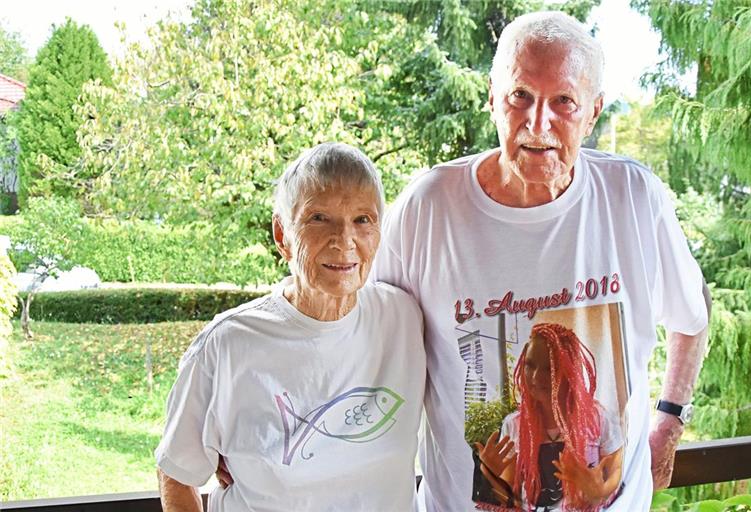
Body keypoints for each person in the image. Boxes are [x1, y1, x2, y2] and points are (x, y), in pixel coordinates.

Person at [371, 10, 711, 512]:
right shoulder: (428, 208)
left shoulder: (634, 197)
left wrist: (670, 418)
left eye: (564, 102)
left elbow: (692, 315)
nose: (538, 123)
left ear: (593, 112)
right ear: (492, 96)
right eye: (520, 96)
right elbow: (362, 340)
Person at [155, 142, 426, 512]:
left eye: (363, 219)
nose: (344, 240)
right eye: (319, 218)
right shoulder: (228, 344)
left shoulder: (405, 318)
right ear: (283, 234)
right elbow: (177, 472)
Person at [474, 323, 623, 511]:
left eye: (549, 368)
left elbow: (616, 473)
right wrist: (489, 475)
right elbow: (509, 500)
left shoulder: (598, 417)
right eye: (530, 365)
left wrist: (598, 491)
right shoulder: (514, 424)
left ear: (570, 369)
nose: (536, 376)